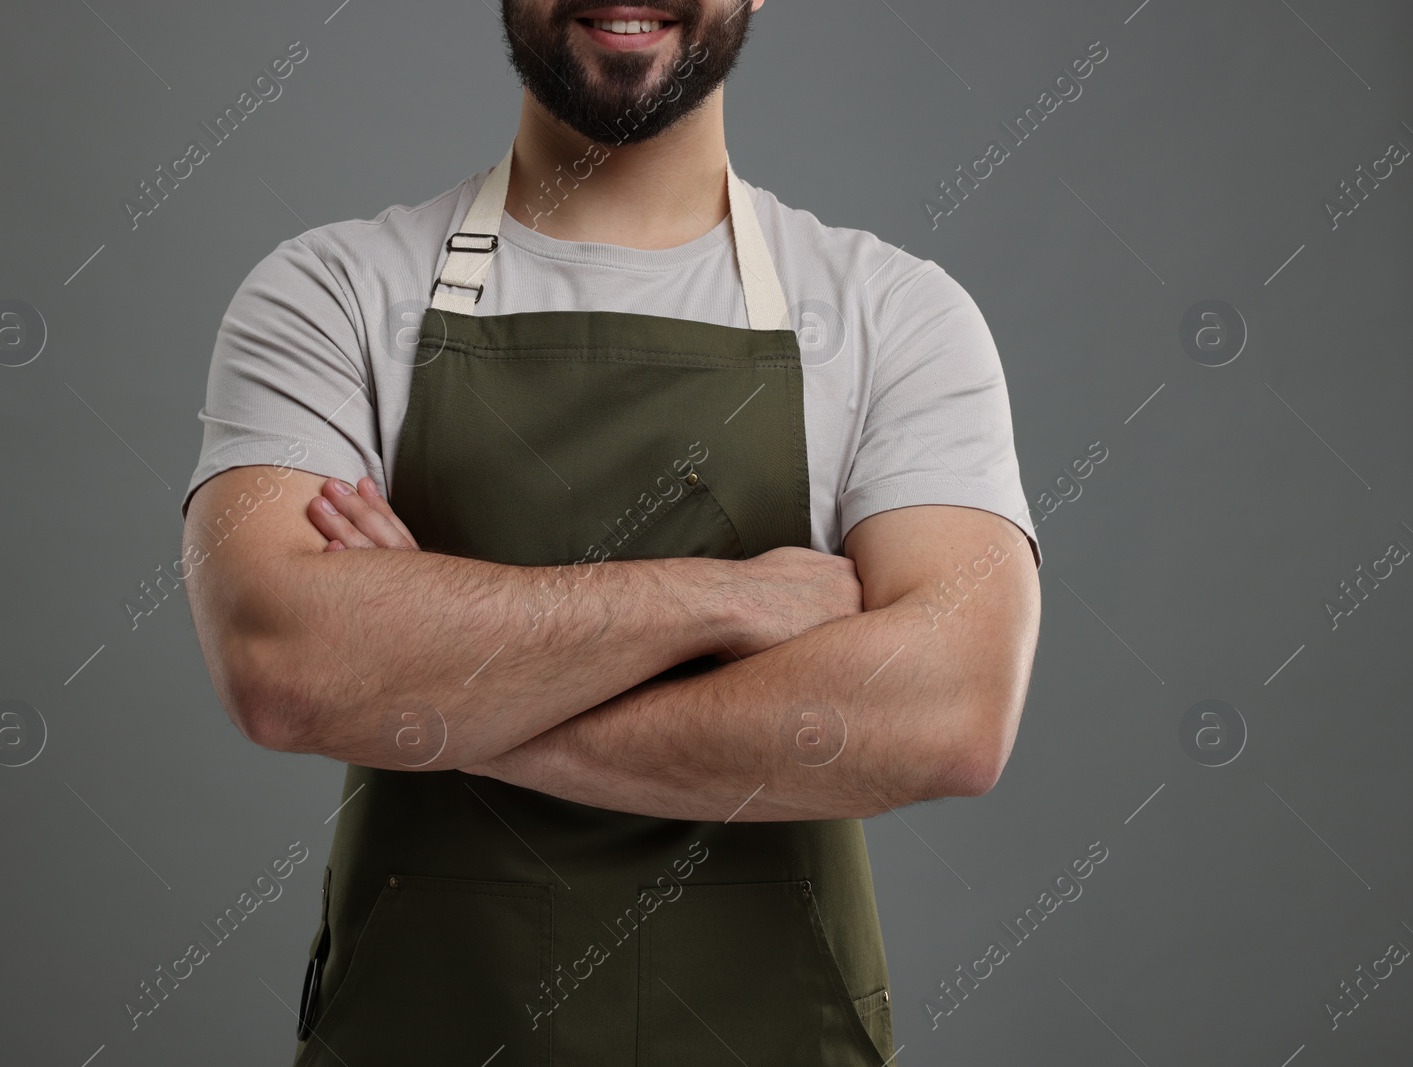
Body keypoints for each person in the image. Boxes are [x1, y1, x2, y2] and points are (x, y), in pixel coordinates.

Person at [180, 2, 1043, 1063]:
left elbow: (949, 712)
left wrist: (443, 695)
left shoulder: (894, 316)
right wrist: (727, 599)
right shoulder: (330, 296)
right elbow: (284, 664)